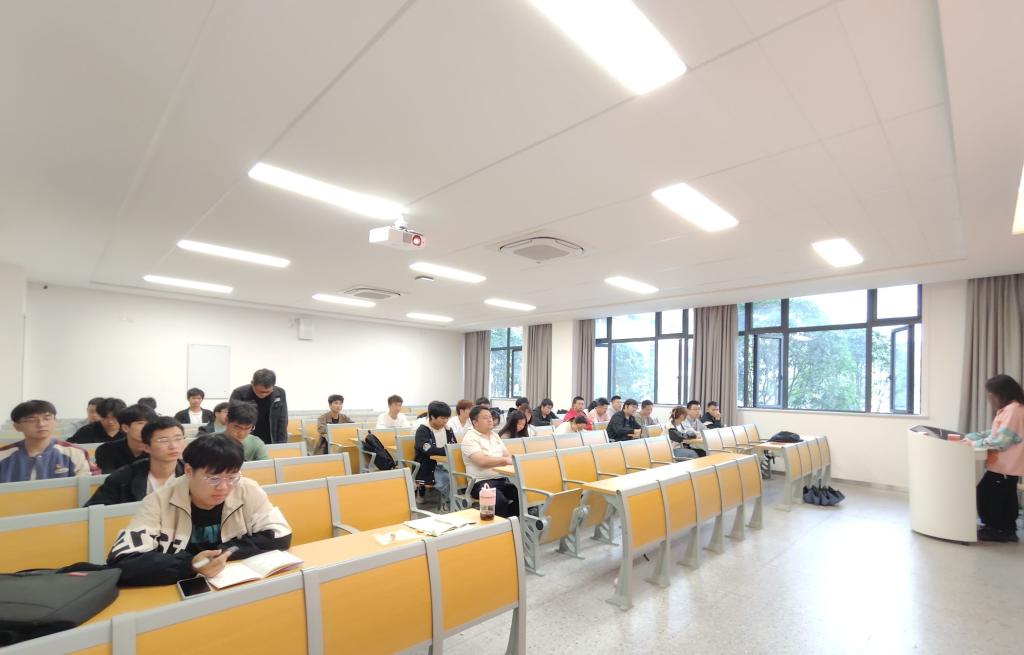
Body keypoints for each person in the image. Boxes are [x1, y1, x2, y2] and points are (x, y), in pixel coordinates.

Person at [106, 435, 292, 586]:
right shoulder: (158, 501)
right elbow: (123, 560)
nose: (223, 487)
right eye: (213, 479)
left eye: (232, 477)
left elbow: (280, 535)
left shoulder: (247, 489)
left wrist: (223, 552)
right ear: (188, 471)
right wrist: (191, 564)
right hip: (180, 587)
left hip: (232, 581)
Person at [963, 374, 1024, 542]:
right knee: (1004, 496)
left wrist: (973, 443)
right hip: (1005, 465)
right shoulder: (1011, 409)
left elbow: (1001, 441)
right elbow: (996, 432)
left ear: (1001, 392)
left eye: (991, 393)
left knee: (988, 493)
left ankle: (998, 529)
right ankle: (1006, 529)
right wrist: (973, 436)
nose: (989, 397)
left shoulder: (1012, 410)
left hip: (1006, 464)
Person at [86, 417, 186, 506]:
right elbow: (96, 510)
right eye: (163, 440)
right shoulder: (123, 477)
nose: (173, 446)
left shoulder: (190, 473)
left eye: (178, 439)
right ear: (146, 447)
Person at [1, 400, 90, 482]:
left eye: (47, 418)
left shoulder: (75, 453)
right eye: (31, 420)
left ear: (55, 421)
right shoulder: (3, 455)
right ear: (17, 426)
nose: (41, 424)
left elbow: (87, 487)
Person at [461, 406, 519, 519]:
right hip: (481, 483)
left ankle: (508, 521)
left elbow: (507, 455)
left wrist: (504, 460)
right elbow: (482, 461)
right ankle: (500, 524)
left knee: (524, 495)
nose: (490, 420)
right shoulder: (470, 438)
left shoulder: (495, 435)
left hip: (502, 480)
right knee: (499, 501)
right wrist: (503, 461)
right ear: (475, 422)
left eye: (490, 417)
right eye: (485, 418)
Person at [95, 404, 158, 474]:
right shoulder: (106, 450)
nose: (148, 427)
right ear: (125, 428)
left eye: (150, 423)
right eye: (141, 423)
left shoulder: (158, 449)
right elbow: (110, 477)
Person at [230, 369, 289, 444]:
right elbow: (233, 420)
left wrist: (281, 443)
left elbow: (283, 419)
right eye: (260, 391)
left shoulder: (280, 393)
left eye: (267, 392)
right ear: (252, 383)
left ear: (273, 386)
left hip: (271, 437)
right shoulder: (239, 393)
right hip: (246, 437)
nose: (263, 394)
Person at [414, 401, 457, 499]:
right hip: (429, 468)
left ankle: (452, 503)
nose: (445, 421)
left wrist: (446, 450)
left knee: (461, 478)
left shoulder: (448, 429)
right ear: (432, 416)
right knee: (448, 481)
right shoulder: (423, 430)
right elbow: (429, 450)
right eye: (442, 418)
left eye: (447, 418)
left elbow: (454, 447)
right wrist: (447, 450)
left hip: (447, 465)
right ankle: (451, 504)